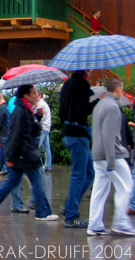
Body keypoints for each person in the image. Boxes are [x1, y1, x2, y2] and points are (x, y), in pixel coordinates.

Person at [0, 85, 58, 221]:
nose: (36, 96)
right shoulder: (21, 110)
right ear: (26, 96)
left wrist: (37, 117)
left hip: (21, 153)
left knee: (12, 181)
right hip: (25, 153)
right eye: (33, 93)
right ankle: (43, 212)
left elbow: (31, 130)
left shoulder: (25, 109)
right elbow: (15, 133)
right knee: (37, 180)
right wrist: (10, 155)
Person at [85, 78, 134, 235]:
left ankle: (94, 224)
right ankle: (120, 222)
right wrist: (112, 160)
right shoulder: (113, 107)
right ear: (118, 89)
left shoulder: (100, 105)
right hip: (112, 154)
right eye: (122, 88)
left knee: (99, 191)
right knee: (126, 187)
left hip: (98, 154)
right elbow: (109, 135)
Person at [59, 70, 97, 228]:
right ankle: (71, 215)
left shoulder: (67, 84)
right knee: (80, 174)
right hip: (78, 132)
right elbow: (83, 110)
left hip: (68, 131)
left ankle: (69, 206)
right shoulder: (81, 84)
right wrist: (97, 101)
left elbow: (63, 111)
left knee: (89, 172)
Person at [36, 92, 52, 172]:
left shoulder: (40, 104)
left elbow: (41, 116)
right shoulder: (45, 103)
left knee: (36, 147)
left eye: (36, 95)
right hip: (47, 127)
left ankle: (38, 167)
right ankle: (48, 166)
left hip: (42, 127)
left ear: (39, 95)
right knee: (47, 148)